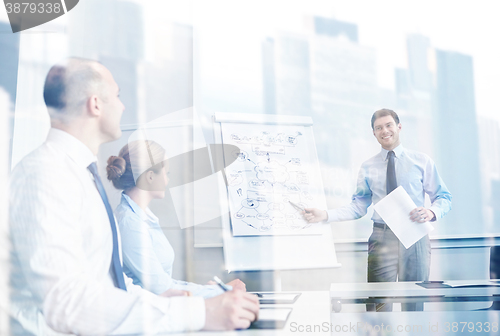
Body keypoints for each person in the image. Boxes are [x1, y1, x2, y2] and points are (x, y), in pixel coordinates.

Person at [9, 58, 259, 335]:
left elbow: (107, 284)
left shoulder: (80, 175)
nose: (122, 106)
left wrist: (163, 303)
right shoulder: (46, 174)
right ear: (95, 104)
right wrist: (197, 312)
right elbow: (66, 302)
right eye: (116, 96)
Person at [304, 108, 452, 312]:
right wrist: (326, 215)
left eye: (389, 125)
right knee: (377, 305)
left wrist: (431, 212)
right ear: (374, 133)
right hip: (382, 237)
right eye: (378, 128)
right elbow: (358, 206)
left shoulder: (421, 161)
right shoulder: (368, 167)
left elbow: (443, 197)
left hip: (415, 236)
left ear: (399, 127)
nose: (385, 131)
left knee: (414, 302)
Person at [106, 140, 246, 298]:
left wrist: (211, 289)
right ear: (151, 176)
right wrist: (220, 291)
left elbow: (166, 283)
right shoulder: (130, 224)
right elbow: (163, 289)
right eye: (167, 174)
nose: (168, 180)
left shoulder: (140, 218)